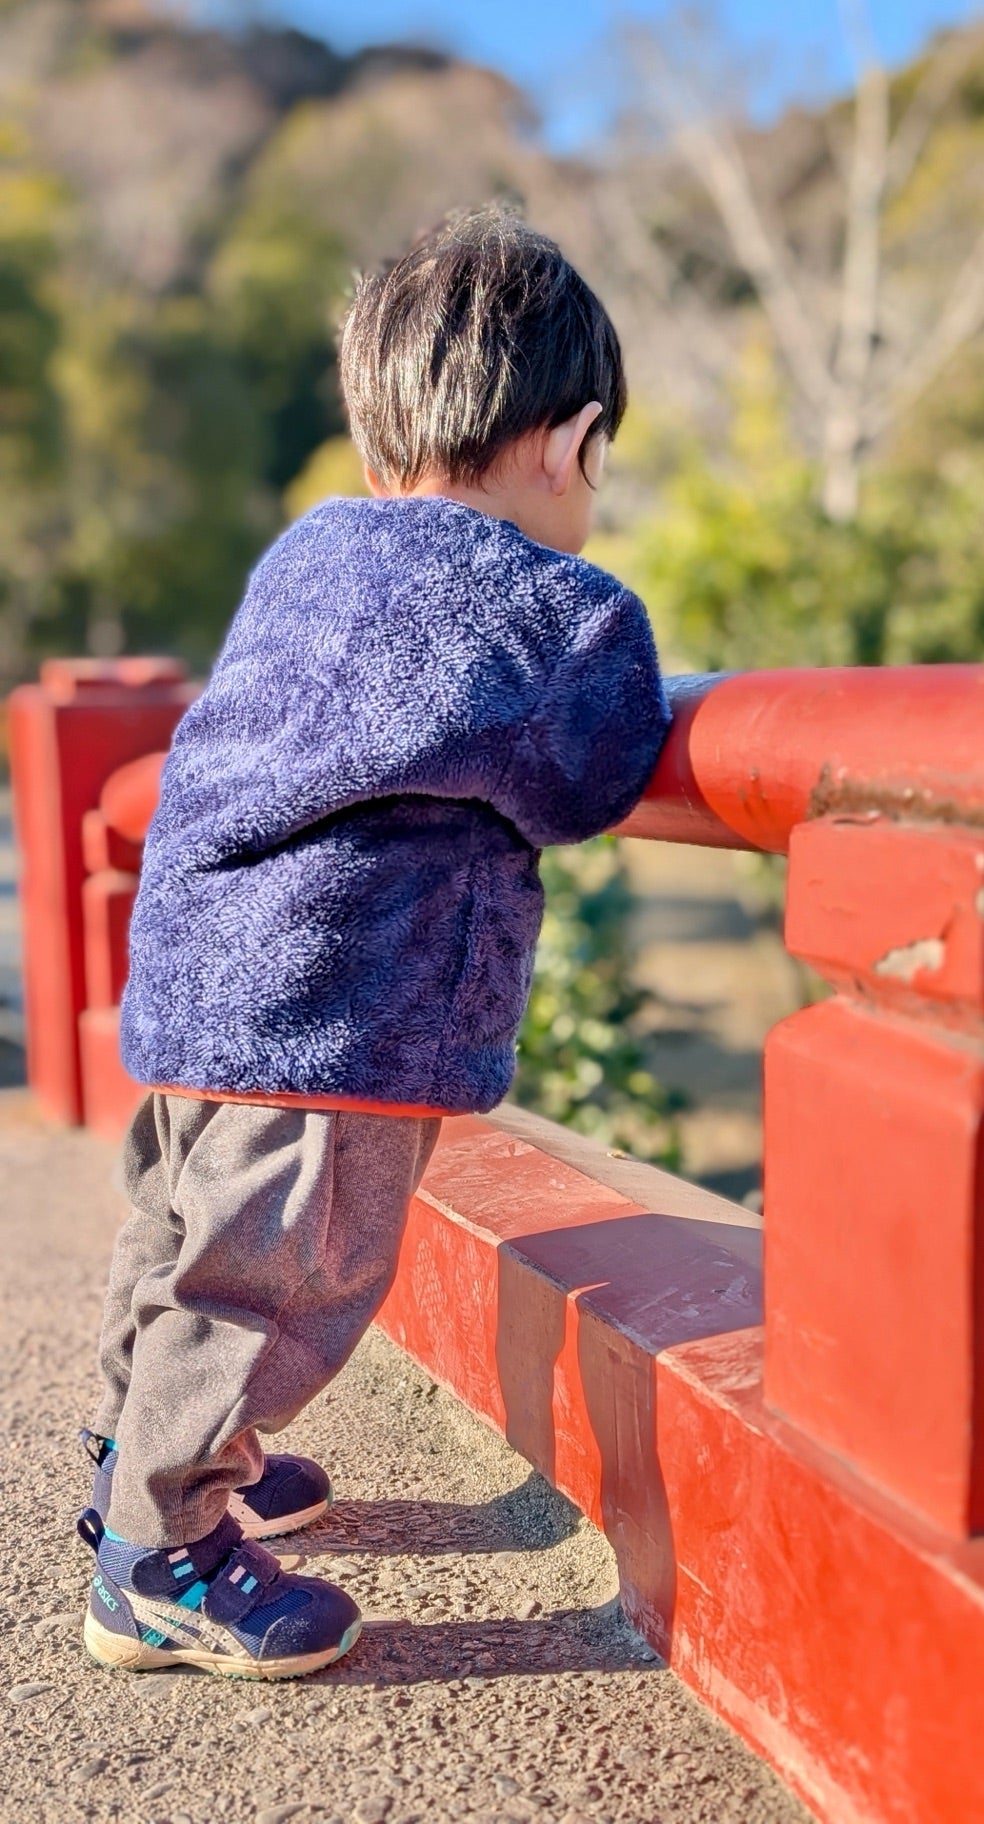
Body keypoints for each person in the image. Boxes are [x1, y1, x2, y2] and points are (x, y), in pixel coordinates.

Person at [77, 207, 672, 1680]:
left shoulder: (307, 559)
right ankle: (161, 1556)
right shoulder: (545, 607)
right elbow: (591, 775)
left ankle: (135, 1455)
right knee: (275, 1285)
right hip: (337, 1017)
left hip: (203, 981)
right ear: (575, 439)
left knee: (177, 1244)